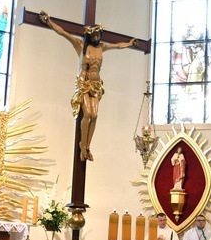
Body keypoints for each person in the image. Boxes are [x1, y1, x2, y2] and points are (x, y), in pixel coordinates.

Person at [39, 11, 137, 161]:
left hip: (96, 84)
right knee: (88, 114)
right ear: (90, 35)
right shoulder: (80, 45)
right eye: (95, 35)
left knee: (95, 115)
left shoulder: (102, 48)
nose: (97, 38)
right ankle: (82, 144)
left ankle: (87, 146)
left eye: (99, 35)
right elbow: (63, 33)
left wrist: (130, 44)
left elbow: (118, 46)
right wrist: (49, 21)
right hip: (84, 84)